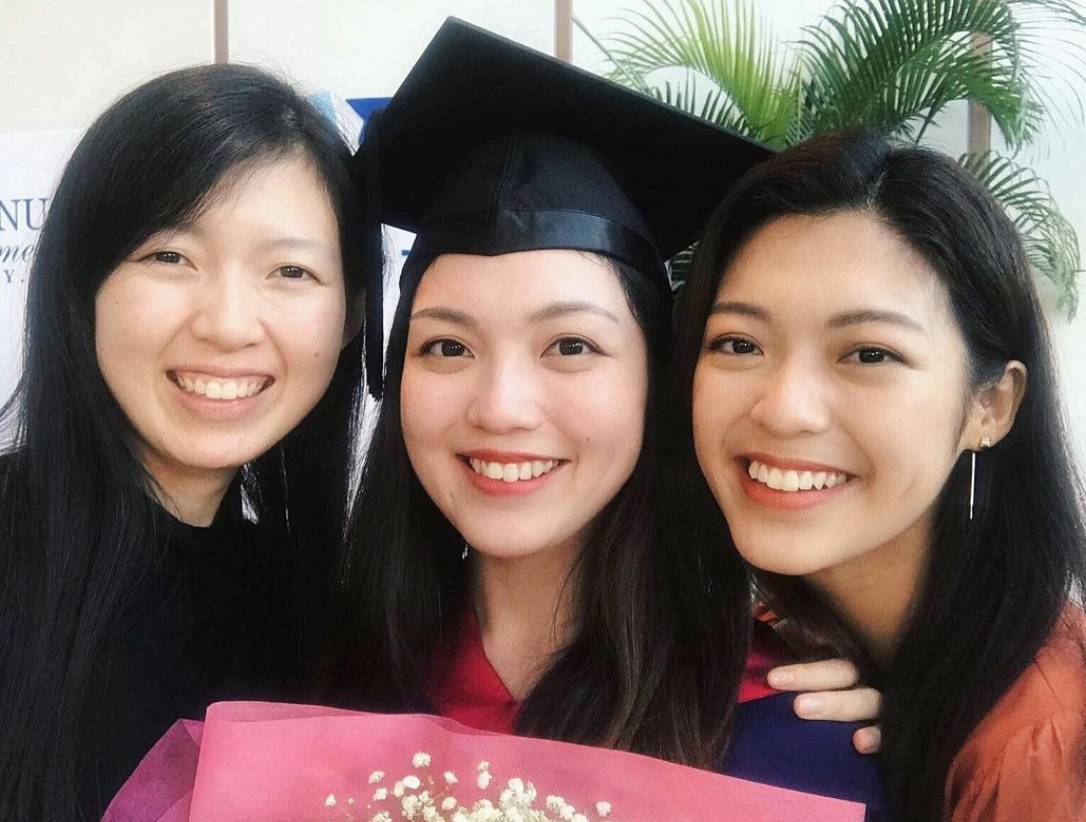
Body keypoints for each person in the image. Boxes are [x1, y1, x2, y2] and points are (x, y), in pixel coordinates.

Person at [324, 19, 885, 811]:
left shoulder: (789, 734)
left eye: (571, 345)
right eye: (447, 348)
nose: (502, 407)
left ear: (659, 376)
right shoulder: (328, 680)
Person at [0, 64, 378, 820]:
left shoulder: (316, 614)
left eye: (290, 270)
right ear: (82, 287)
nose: (228, 323)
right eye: (170, 257)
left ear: (351, 319)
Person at [674, 128, 1086, 820]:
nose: (784, 410)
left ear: (990, 405)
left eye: (868, 354)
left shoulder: (1043, 744)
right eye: (739, 343)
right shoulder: (778, 643)